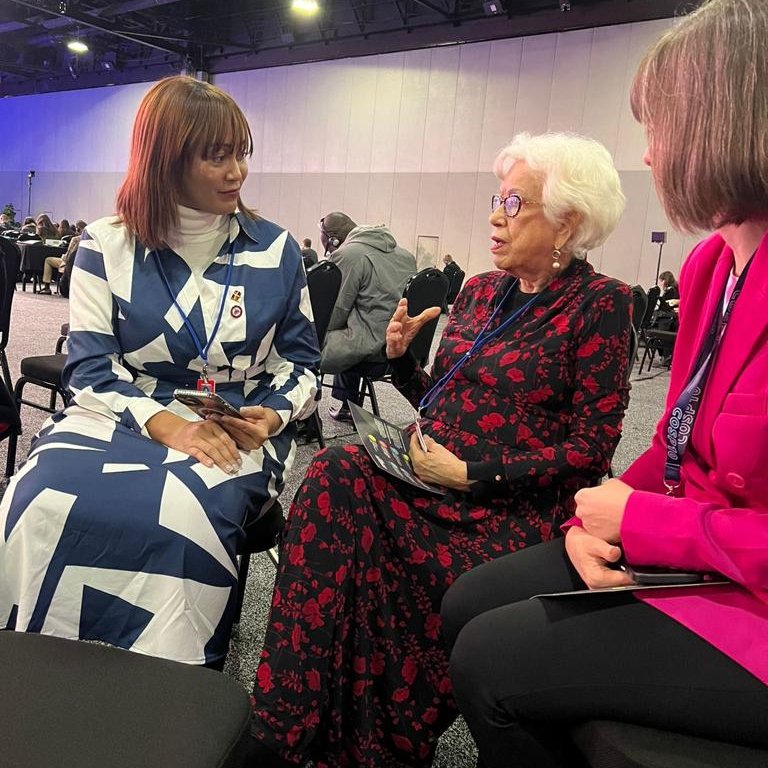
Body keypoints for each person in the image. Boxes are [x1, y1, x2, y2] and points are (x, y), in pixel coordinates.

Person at [443, 3, 768, 766]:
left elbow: (594, 445)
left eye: (659, 126)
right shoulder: (712, 267)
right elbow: (675, 438)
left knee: (490, 659)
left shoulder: (607, 300)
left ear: (723, 122)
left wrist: (645, 527)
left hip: (743, 588)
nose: (649, 155)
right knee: (467, 605)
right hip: (701, 552)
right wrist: (597, 526)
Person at [248, 132, 632, 768]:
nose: (494, 215)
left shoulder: (601, 305)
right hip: (430, 471)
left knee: (344, 486)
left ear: (566, 223)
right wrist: (400, 366)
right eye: (496, 198)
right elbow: (445, 403)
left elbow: (593, 449)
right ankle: (291, 724)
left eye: (514, 203)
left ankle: (374, 740)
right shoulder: (482, 290)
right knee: (333, 476)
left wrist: (471, 472)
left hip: (508, 505)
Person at [0, 75, 319, 667]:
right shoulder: (105, 243)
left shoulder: (276, 251)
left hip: (235, 423)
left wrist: (272, 416)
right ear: (166, 160)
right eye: (217, 156)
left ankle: (168, 693)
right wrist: (169, 427)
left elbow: (301, 364)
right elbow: (91, 371)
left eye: (241, 153)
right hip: (119, 413)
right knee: (34, 498)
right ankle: (31, 676)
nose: (238, 172)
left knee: (184, 516)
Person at [318, 211, 417, 422]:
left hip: (369, 351)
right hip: (399, 349)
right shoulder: (406, 256)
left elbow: (336, 311)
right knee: (354, 326)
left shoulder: (348, 256)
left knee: (303, 345)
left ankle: (303, 417)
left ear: (333, 239)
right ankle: (348, 405)